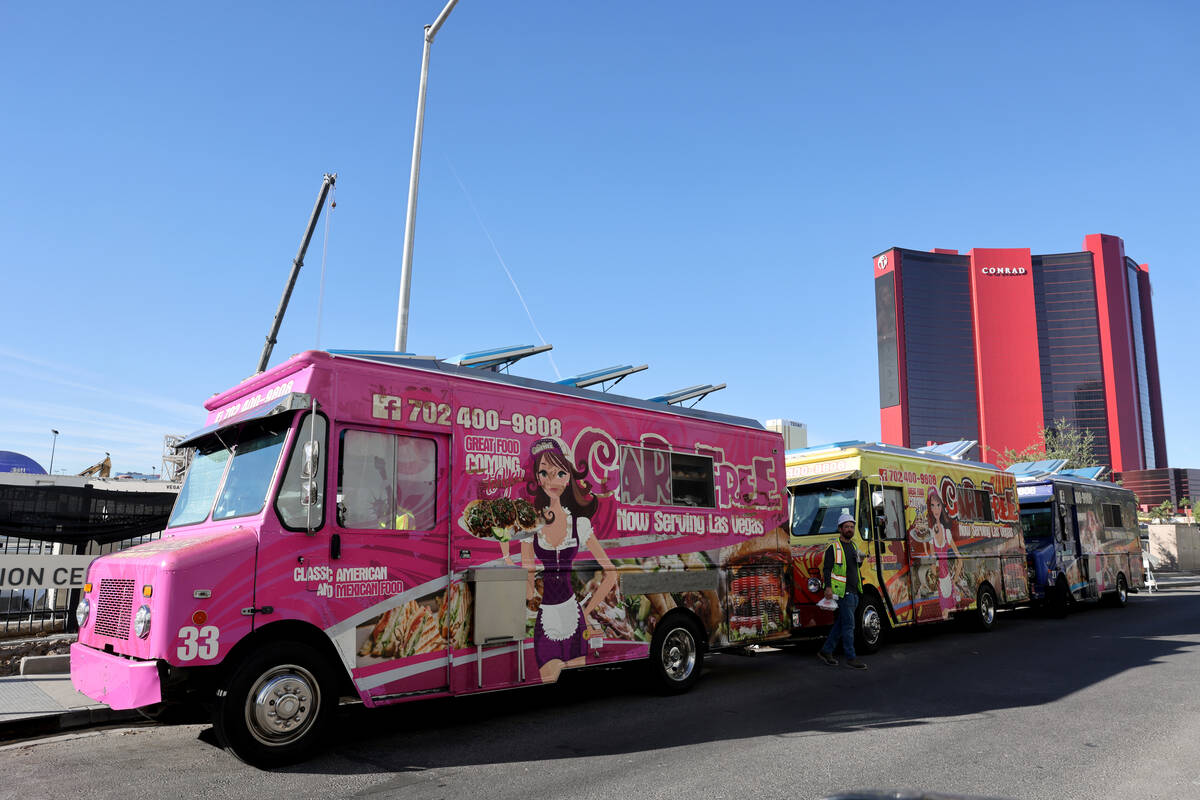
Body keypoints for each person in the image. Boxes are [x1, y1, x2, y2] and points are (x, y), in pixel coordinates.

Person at [518, 437, 618, 683]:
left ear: (568, 477)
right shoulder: (530, 524)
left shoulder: (579, 524)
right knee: (549, 681)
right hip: (546, 622)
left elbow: (611, 572)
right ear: (537, 477)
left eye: (560, 472)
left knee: (573, 683)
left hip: (575, 620)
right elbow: (528, 582)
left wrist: (586, 610)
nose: (553, 480)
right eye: (545, 472)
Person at [817, 510, 868, 669]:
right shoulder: (834, 547)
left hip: (854, 592)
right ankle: (851, 657)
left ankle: (826, 651)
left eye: (852, 527)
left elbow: (855, 567)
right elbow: (827, 569)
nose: (850, 529)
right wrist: (828, 588)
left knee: (841, 624)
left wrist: (860, 560)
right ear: (840, 529)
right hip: (843, 592)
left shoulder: (853, 546)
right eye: (846, 527)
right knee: (849, 626)